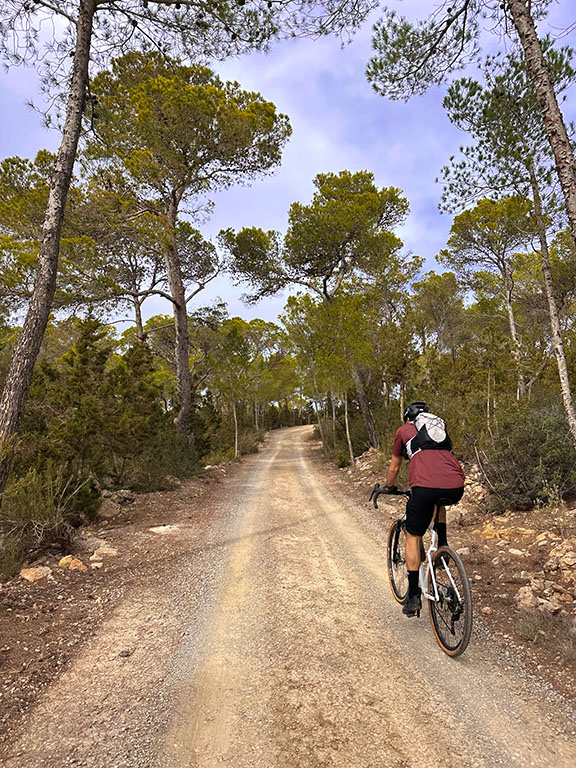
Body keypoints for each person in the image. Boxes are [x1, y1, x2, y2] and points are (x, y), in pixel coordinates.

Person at [385, 401, 465, 617]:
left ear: (407, 418)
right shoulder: (438, 430)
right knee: (439, 499)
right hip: (456, 485)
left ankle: (412, 596)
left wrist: (389, 486)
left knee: (413, 535)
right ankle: (443, 545)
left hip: (424, 487)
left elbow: (394, 466)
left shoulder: (403, 430)